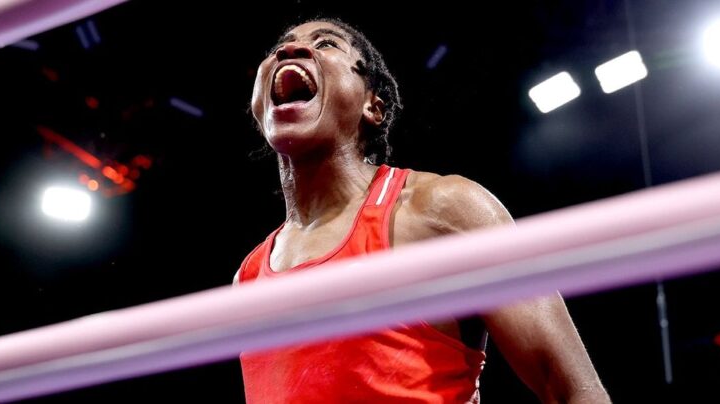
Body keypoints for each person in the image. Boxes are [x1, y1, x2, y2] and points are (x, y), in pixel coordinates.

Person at [233, 17, 610, 403]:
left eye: (327, 43)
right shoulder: (248, 278)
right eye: (281, 45)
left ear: (373, 106)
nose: (289, 50)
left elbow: (575, 392)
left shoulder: (442, 209)